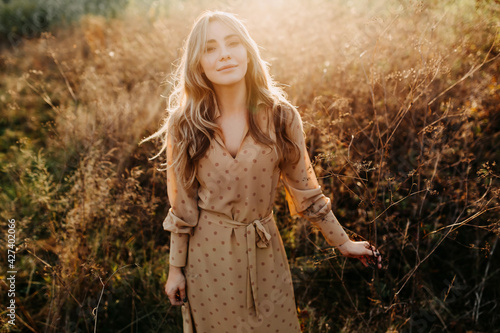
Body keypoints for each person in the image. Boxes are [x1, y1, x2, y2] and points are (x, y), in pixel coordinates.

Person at [143, 10, 382, 333]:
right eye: (210, 48)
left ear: (248, 52)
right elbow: (182, 206)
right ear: (197, 62)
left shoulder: (282, 117)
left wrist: (343, 242)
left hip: (264, 252)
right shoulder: (184, 124)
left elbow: (306, 191)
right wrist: (176, 270)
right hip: (208, 259)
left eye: (233, 43)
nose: (224, 54)